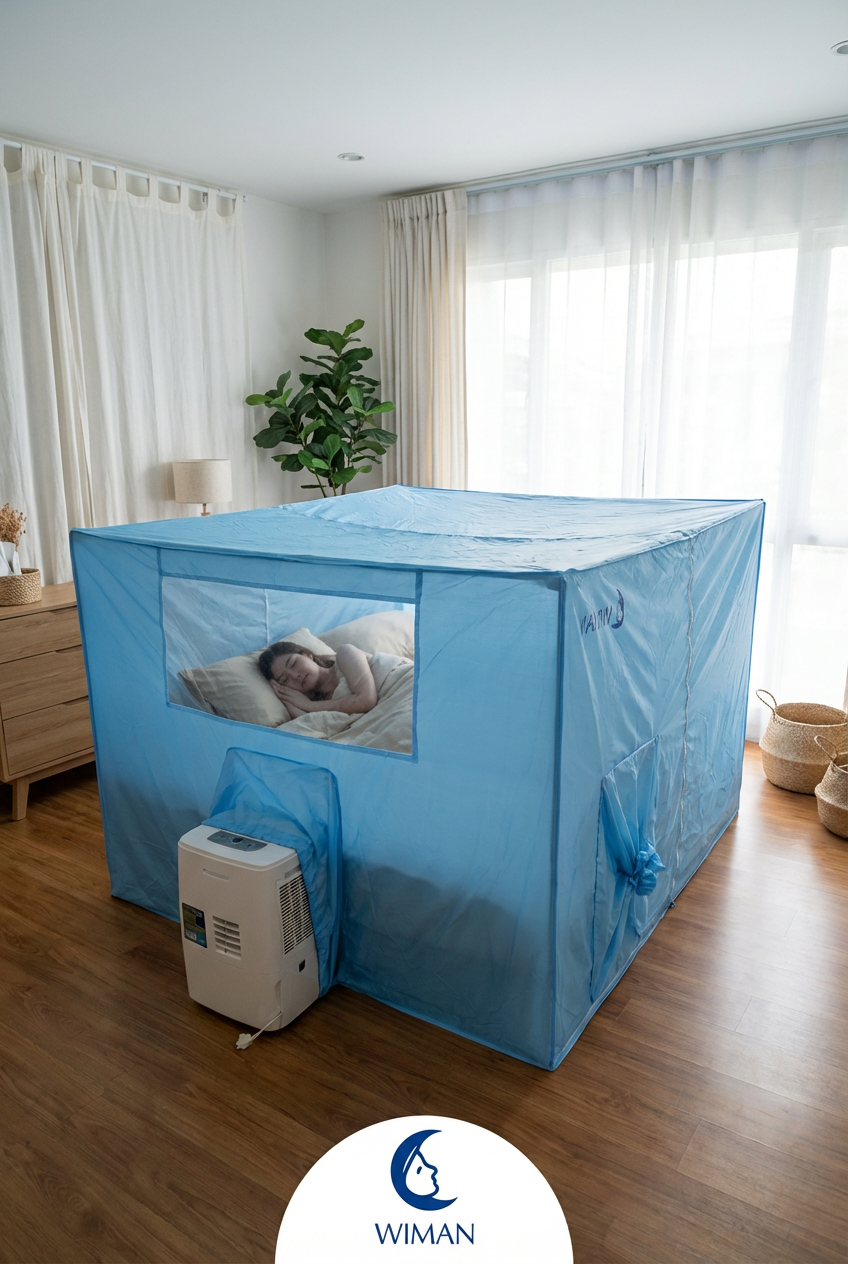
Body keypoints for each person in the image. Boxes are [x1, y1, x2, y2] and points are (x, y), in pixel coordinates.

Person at [257, 640, 377, 719]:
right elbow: (315, 730)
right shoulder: (318, 707)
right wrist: (287, 701)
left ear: (308, 655)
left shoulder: (345, 653)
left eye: (293, 664)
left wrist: (309, 705)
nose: (295, 676)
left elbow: (366, 700)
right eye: (285, 679)